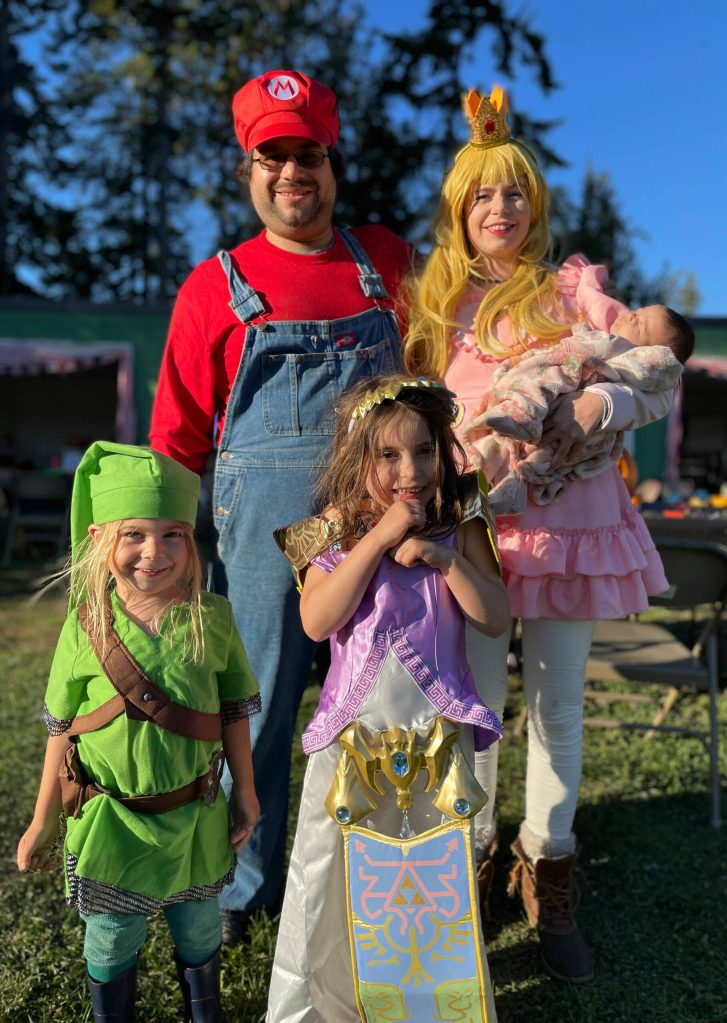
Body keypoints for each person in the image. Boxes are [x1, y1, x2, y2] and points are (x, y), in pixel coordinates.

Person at [403, 86, 674, 984]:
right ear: (459, 207)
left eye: (514, 192)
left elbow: (652, 370)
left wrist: (603, 400)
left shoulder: (575, 289)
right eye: (482, 194)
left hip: (571, 529)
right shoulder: (433, 311)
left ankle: (546, 867)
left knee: (557, 709)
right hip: (477, 536)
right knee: (473, 710)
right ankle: (476, 864)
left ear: (535, 205)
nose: (499, 209)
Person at [149, 69, 411, 944]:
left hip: (383, 523)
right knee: (253, 708)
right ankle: (240, 885)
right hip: (264, 538)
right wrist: (158, 552)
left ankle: (380, 872)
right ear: (246, 170)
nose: (292, 172)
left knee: (386, 694)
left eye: (308, 154)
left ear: (332, 164)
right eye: (273, 156)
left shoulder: (388, 263)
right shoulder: (212, 287)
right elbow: (176, 442)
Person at [267, 374, 510, 1022]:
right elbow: (317, 621)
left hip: (435, 742)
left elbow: (493, 615)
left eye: (424, 451)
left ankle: (426, 1005)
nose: (410, 470)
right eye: (388, 455)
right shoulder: (333, 532)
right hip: (354, 739)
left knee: (431, 880)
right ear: (357, 458)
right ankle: (318, 1003)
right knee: (329, 870)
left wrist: (441, 557)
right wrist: (374, 541)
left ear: (441, 450)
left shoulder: (463, 523)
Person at [16, 442, 260, 1023]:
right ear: (101, 539)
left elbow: (233, 714)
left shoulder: (214, 619)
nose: (154, 553)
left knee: (200, 933)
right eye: (135, 536)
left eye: (172, 535)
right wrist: (42, 819)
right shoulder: (83, 627)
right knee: (111, 939)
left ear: (190, 540)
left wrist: (244, 794)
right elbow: (61, 732)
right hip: (113, 827)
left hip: (194, 820)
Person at [465, 305, 693, 513]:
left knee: (545, 383)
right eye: (638, 311)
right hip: (538, 431)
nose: (631, 313)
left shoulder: (616, 343)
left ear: (650, 354)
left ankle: (521, 418)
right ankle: (501, 490)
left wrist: (602, 402)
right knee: (506, 454)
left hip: (562, 424)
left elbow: (591, 344)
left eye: (639, 323)